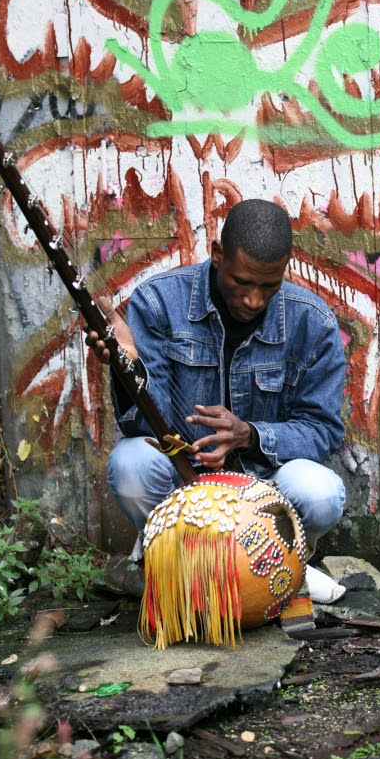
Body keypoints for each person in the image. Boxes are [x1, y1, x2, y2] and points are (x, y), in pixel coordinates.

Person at [86, 199, 347, 602]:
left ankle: (265, 565)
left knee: (321, 492)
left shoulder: (312, 322)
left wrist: (250, 435)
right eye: (242, 282)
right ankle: (198, 563)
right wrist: (130, 369)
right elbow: (143, 428)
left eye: (269, 286)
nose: (254, 300)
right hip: (184, 490)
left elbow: (323, 431)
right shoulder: (158, 304)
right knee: (131, 463)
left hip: (263, 492)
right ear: (217, 254)